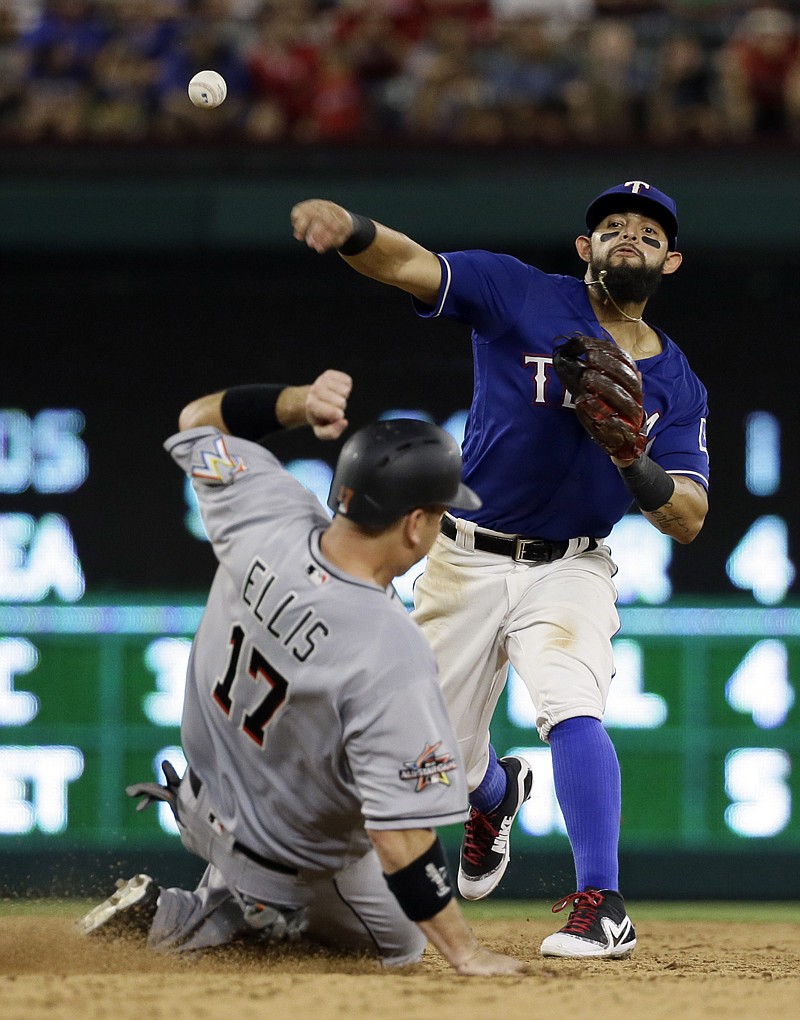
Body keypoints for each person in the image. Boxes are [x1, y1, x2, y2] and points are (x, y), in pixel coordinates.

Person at [290, 180, 710, 958]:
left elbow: (687, 516)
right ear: (585, 249)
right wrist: (351, 228)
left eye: (649, 235)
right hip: (466, 554)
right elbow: (410, 265)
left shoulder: (678, 384)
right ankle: (492, 792)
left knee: (571, 701)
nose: (630, 238)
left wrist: (634, 458)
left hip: (572, 565)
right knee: (428, 757)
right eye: (613, 226)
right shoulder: (521, 293)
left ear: (671, 261)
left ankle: (602, 904)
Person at [77, 368, 527, 977]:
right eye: (441, 511)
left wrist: (296, 404)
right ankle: (194, 920)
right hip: (280, 860)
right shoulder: (386, 645)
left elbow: (196, 422)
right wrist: (468, 953)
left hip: (195, 800)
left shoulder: (268, 510)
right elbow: (401, 837)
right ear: (416, 523)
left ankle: (218, 900)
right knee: (404, 943)